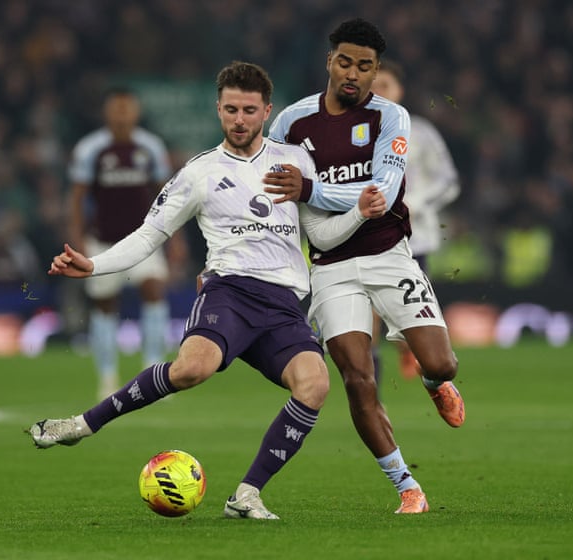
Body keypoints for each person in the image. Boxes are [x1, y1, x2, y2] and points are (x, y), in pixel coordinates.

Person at [27, 61, 387, 520]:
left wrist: (358, 213)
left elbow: (321, 234)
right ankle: (82, 424)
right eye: (231, 109)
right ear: (218, 109)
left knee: (315, 384)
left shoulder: (295, 161)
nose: (240, 119)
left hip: (284, 305)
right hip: (229, 292)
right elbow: (150, 234)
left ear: (267, 111)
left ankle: (247, 495)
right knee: (192, 369)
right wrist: (94, 265)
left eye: (249, 110)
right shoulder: (199, 172)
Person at [264, 18, 465, 514]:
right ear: (329, 62)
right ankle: (407, 486)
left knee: (441, 362)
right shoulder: (290, 123)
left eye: (365, 66)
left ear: (376, 72)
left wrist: (311, 190)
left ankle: (434, 383)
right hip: (330, 268)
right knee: (357, 378)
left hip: (388, 255)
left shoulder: (391, 117)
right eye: (345, 62)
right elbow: (276, 195)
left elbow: (384, 193)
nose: (353, 74)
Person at [68, 87, 173, 400]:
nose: (122, 114)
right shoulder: (90, 149)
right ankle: (107, 377)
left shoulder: (150, 147)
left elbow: (168, 194)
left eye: (127, 108)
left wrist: (176, 237)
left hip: (144, 240)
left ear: (136, 112)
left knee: (154, 291)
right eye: (117, 108)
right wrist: (77, 238)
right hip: (102, 241)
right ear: (107, 112)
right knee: (104, 305)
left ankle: (153, 372)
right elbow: (77, 198)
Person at [370, 59, 461, 381]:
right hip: (364, 238)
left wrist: (414, 203)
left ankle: (418, 359)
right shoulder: (351, 132)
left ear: (400, 90)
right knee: (367, 322)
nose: (378, 92)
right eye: (372, 85)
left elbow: (448, 181)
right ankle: (370, 395)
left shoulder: (420, 132)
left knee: (412, 324)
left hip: (412, 240)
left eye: (385, 85)